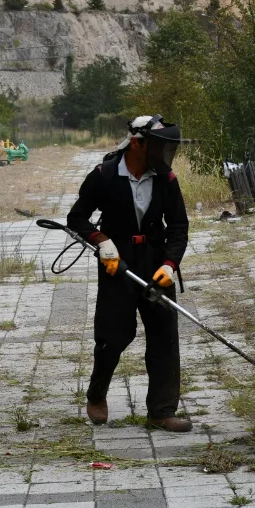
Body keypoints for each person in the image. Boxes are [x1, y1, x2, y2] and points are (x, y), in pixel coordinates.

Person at [67, 115, 191, 432]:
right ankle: (97, 394)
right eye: (159, 147)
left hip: (154, 260)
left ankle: (161, 411)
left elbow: (178, 227)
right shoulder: (105, 175)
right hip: (116, 262)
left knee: (164, 337)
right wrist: (101, 242)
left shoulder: (166, 180)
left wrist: (170, 264)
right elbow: (77, 218)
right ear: (137, 143)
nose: (165, 156)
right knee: (113, 336)